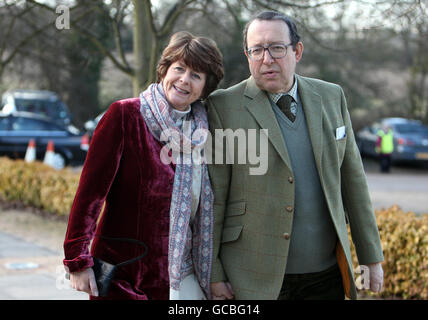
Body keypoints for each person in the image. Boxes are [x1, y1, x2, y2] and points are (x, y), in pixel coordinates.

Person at [206, 11, 384, 300]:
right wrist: (213, 274)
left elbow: (354, 182)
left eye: (276, 47)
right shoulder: (223, 106)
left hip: (326, 277)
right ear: (247, 54)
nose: (266, 58)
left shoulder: (331, 96)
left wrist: (371, 257)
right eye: (257, 50)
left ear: (296, 50)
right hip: (251, 278)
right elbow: (214, 198)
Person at [63, 31, 224, 300]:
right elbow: (89, 195)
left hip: (187, 276)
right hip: (126, 275)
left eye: (196, 75)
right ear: (164, 70)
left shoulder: (205, 132)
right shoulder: (125, 115)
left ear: (205, 86)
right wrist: (77, 261)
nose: (184, 80)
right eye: (180, 68)